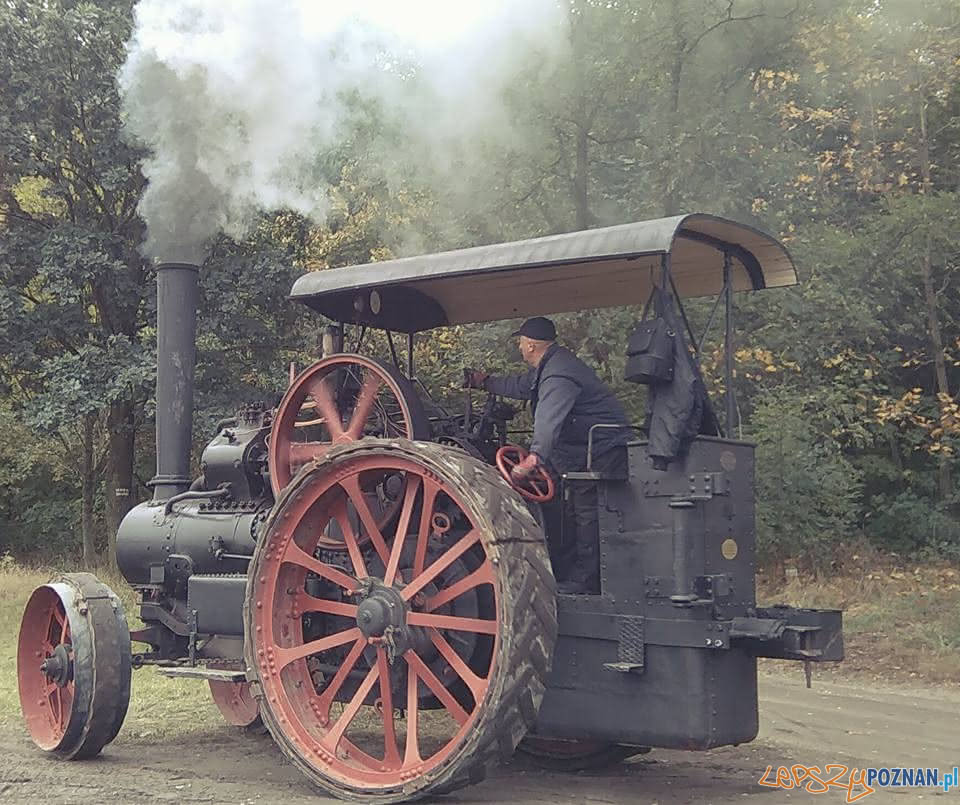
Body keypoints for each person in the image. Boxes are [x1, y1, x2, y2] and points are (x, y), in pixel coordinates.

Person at [464, 317, 631, 594]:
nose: (519, 347)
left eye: (520, 342)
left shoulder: (558, 375)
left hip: (599, 451)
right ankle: (562, 569)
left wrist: (533, 458)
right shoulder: (551, 365)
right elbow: (520, 386)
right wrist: (486, 383)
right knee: (563, 508)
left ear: (530, 345)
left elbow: (548, 419)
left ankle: (586, 584)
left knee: (585, 513)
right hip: (581, 450)